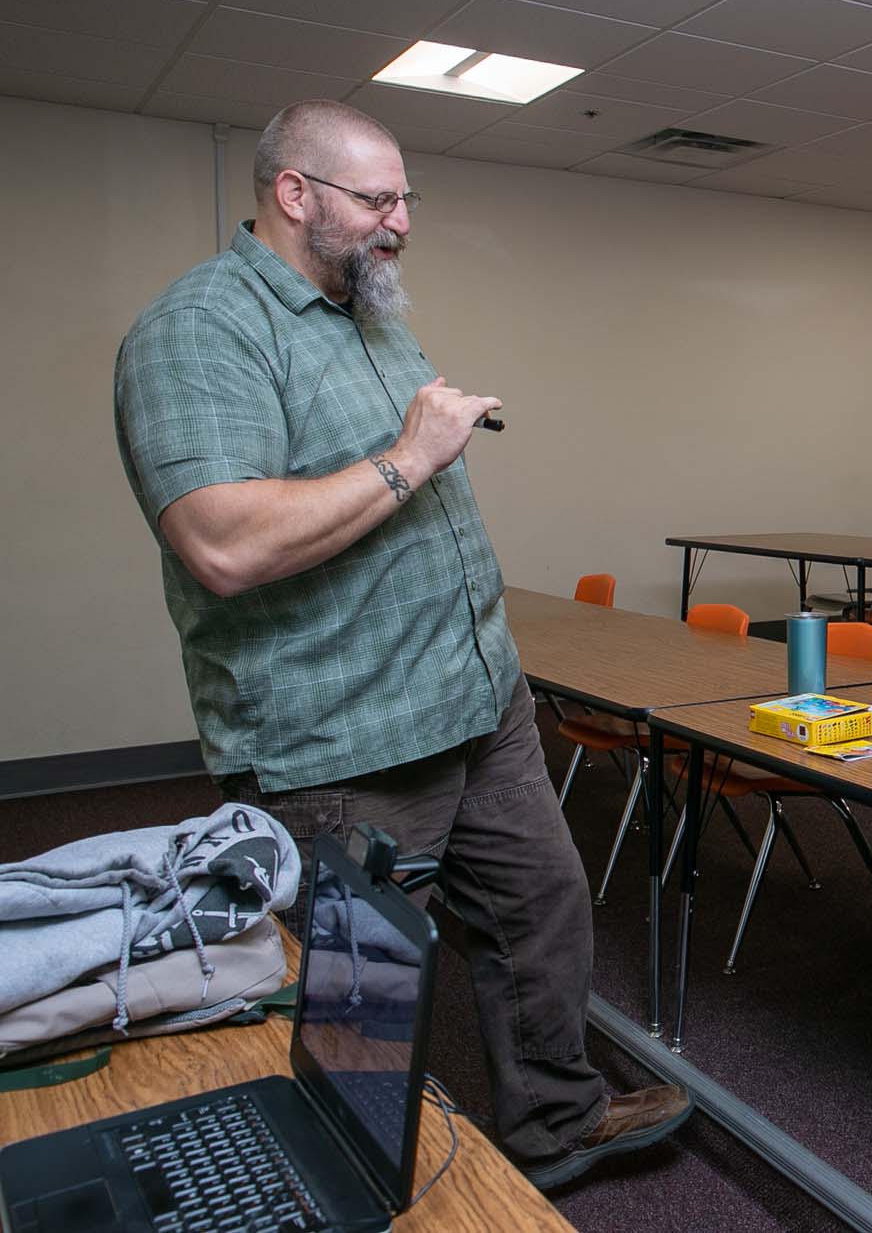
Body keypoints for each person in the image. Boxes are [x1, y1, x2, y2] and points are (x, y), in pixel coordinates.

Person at [113, 99, 691, 1191]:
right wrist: (410, 457)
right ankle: (349, 1183)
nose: (401, 223)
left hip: (479, 706)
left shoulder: (370, 314)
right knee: (358, 988)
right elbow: (222, 543)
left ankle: (554, 1124)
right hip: (346, 740)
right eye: (377, 199)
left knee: (543, 908)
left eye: (405, 200)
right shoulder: (199, 328)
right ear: (295, 195)